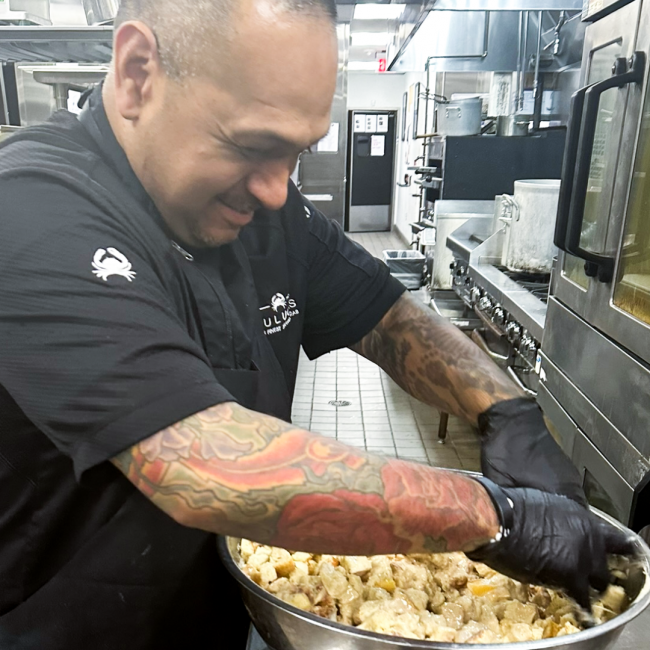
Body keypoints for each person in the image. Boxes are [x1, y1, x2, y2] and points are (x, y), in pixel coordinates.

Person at [0, 1, 633, 648]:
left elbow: (387, 315)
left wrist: (506, 412)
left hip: (211, 620)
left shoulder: (264, 207)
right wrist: (496, 517)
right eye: (254, 147)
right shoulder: (30, 210)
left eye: (298, 153)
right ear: (139, 74)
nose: (278, 190)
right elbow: (202, 465)